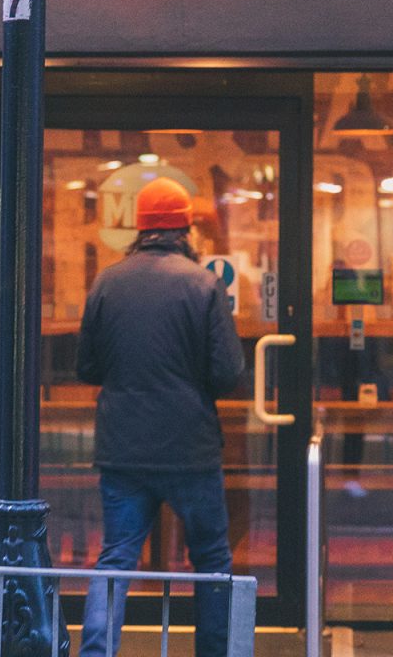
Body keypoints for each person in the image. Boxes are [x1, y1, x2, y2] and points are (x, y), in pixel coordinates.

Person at [75, 177, 246, 657]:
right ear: (185, 229)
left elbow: (86, 367)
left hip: (123, 447)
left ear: (141, 228)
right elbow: (227, 372)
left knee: (116, 559)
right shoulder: (204, 284)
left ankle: (96, 652)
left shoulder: (107, 281)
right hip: (190, 448)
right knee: (211, 560)